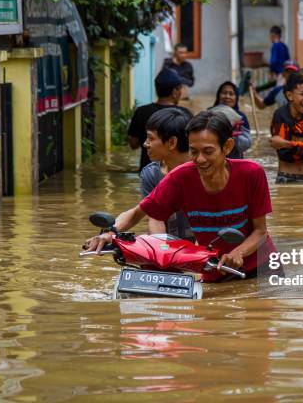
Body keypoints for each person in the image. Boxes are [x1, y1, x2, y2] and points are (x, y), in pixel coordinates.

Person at [84, 111, 276, 282]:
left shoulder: (252, 173)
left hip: (262, 269)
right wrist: (111, 233)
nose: (200, 159)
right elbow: (137, 213)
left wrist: (238, 252)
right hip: (214, 272)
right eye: (194, 151)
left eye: (208, 152)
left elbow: (260, 231)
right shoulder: (179, 179)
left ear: (227, 146)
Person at [140, 107, 194, 242]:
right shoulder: (151, 174)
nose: (145, 144)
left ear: (172, 142)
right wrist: (161, 250)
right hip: (170, 249)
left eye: (150, 138)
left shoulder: (203, 169)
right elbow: (155, 218)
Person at [269, 71, 303, 183]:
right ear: (290, 95)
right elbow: (284, 154)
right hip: (287, 178)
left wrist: (288, 143)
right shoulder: (280, 115)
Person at [127, 68, 184, 172]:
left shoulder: (141, 112)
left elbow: (133, 144)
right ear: (175, 91)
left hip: (147, 172)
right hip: (177, 173)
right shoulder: (185, 114)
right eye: (180, 89)